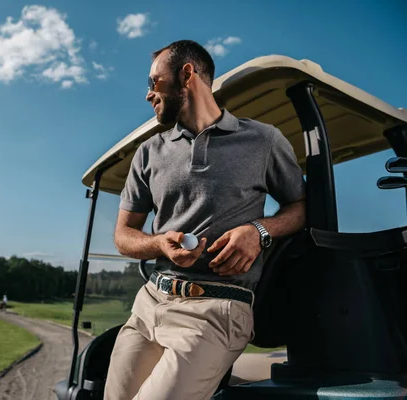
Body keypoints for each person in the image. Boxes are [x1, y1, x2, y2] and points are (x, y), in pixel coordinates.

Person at [104, 40, 307, 400]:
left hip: (217, 312)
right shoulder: (149, 152)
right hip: (151, 302)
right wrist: (157, 244)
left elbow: (302, 207)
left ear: (187, 74)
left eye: (154, 82)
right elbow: (123, 235)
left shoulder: (263, 141)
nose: (149, 94)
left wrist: (258, 230)